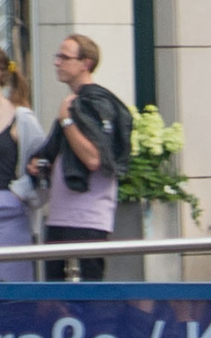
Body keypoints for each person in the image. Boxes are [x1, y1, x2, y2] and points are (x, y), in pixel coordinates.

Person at [25, 35, 132, 282]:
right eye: (57, 56)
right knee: (56, 301)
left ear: (85, 63)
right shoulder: (74, 102)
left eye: (64, 57)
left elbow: (95, 159)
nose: (57, 62)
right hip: (61, 215)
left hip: (86, 218)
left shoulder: (93, 102)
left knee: (86, 301)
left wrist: (67, 121)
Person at [1, 74, 48, 283]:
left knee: (13, 294)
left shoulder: (22, 119)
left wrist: (19, 192)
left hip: (8, 217)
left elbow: (42, 162)